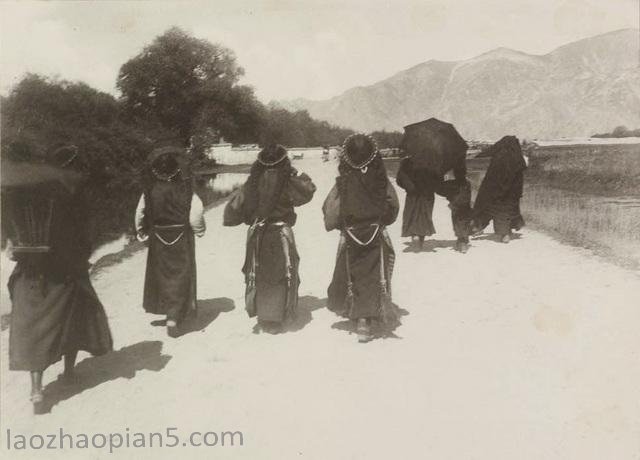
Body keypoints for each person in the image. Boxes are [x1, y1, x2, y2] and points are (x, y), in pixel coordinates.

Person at [4, 144, 113, 414]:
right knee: (74, 315)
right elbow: (81, 237)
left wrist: (14, 245)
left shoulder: (13, 195)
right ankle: (69, 370)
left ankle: (36, 390)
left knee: (31, 330)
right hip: (63, 271)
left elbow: (8, 240)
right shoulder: (68, 196)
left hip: (29, 272)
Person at [223, 144, 316, 333]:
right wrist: (297, 173)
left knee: (259, 271)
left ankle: (264, 314)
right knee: (283, 271)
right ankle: (277, 315)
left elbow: (233, 211)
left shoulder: (252, 182)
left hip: (258, 235)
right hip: (281, 232)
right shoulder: (288, 181)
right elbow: (308, 191)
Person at [323, 134, 399, 343]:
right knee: (376, 276)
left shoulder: (343, 181)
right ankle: (370, 318)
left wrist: (341, 225)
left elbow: (331, 211)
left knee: (352, 275)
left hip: (351, 234)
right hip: (375, 231)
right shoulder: (381, 181)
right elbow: (393, 207)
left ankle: (360, 320)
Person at [135, 146, 205, 337]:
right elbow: (196, 214)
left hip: (158, 236)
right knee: (181, 274)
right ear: (177, 169)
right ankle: (174, 315)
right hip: (181, 236)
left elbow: (140, 213)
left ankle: (169, 312)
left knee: (162, 274)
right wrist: (199, 231)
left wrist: (141, 232)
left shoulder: (150, 190)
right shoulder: (186, 189)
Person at [471, 135, 527, 243]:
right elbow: (520, 178)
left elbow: (492, 176)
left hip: (497, 191)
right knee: (508, 211)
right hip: (512, 193)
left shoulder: (499, 157)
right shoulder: (518, 158)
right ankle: (506, 233)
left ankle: (480, 228)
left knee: (494, 209)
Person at [396, 156, 440, 249]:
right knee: (425, 215)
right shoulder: (432, 161)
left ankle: (414, 235)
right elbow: (438, 178)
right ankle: (420, 239)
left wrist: (409, 187)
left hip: (412, 193)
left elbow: (399, 179)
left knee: (411, 213)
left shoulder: (406, 162)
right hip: (427, 193)